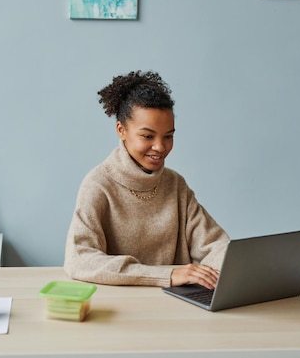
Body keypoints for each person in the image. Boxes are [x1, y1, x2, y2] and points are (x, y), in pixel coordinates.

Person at [64, 70, 229, 289]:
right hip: (121, 307)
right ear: (121, 130)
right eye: (148, 136)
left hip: (176, 305)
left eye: (168, 136)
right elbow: (79, 261)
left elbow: (216, 245)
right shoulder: (98, 184)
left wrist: (234, 267)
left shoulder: (175, 184)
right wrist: (167, 275)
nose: (160, 147)